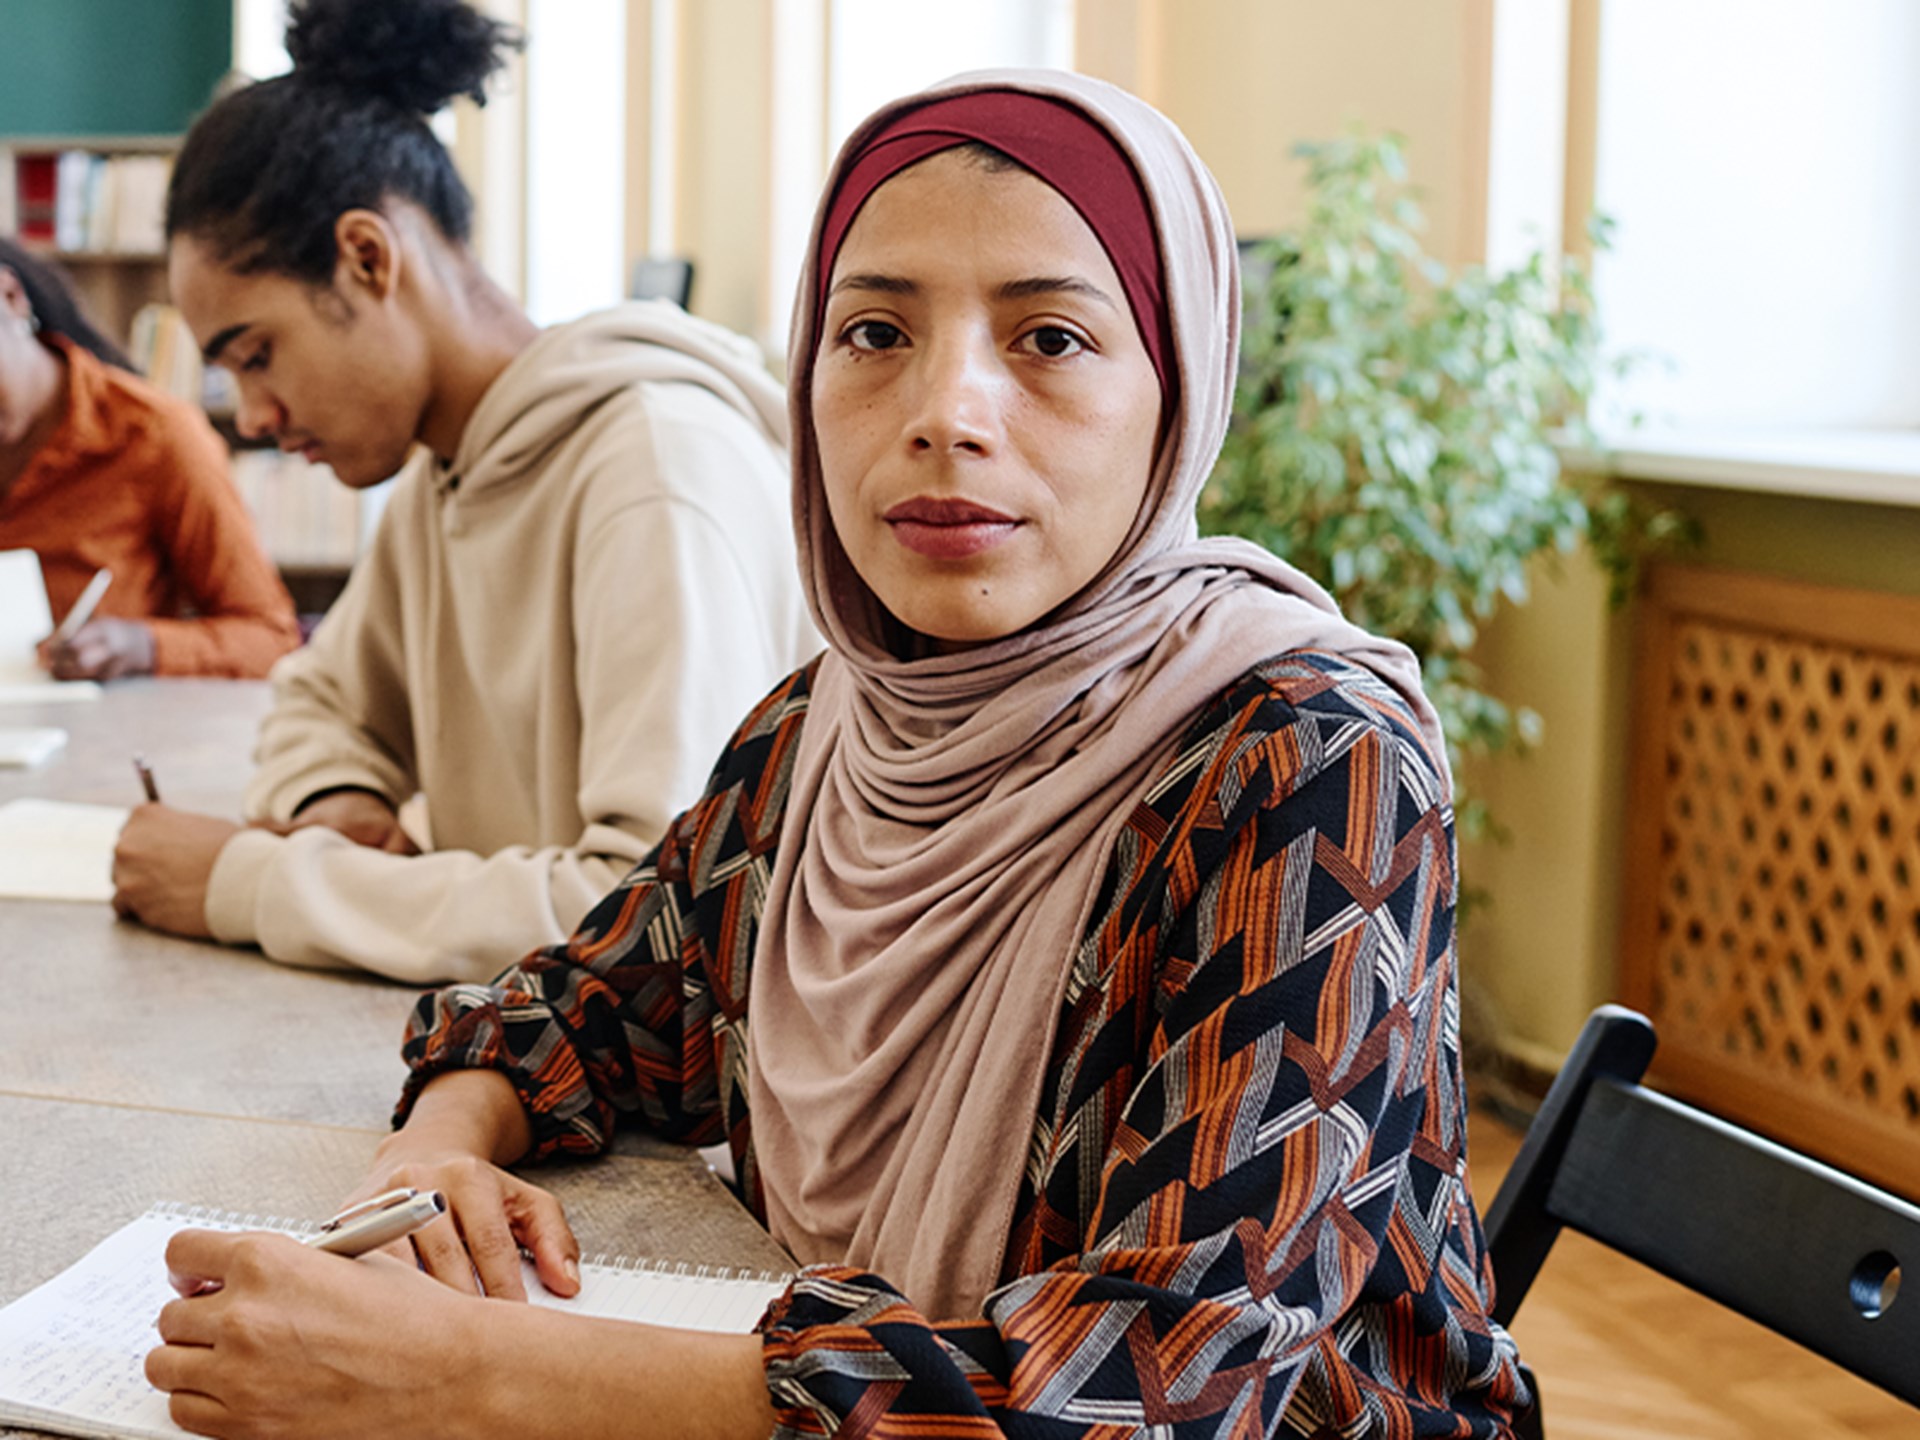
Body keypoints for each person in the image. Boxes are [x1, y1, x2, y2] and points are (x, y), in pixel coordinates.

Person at [144, 70, 1530, 1438]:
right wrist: (439, 1150)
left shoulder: (1304, 759)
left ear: (1178, 391)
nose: (948, 412)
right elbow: (591, 1000)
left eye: (1049, 339)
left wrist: (462, 1376)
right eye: (873, 332)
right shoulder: (833, 725)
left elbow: (1161, 1383)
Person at [109, 0, 817, 983]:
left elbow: (663, 921)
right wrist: (337, 803)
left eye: (258, 355)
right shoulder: (449, 470)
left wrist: (254, 883)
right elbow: (318, 700)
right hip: (525, 1060)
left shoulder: (655, 470)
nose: (258, 417)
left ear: (368, 258)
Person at [0, 237, 301, 679]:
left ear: (10, 298)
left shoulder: (156, 436)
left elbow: (271, 638)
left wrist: (143, 646)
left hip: (106, 739)